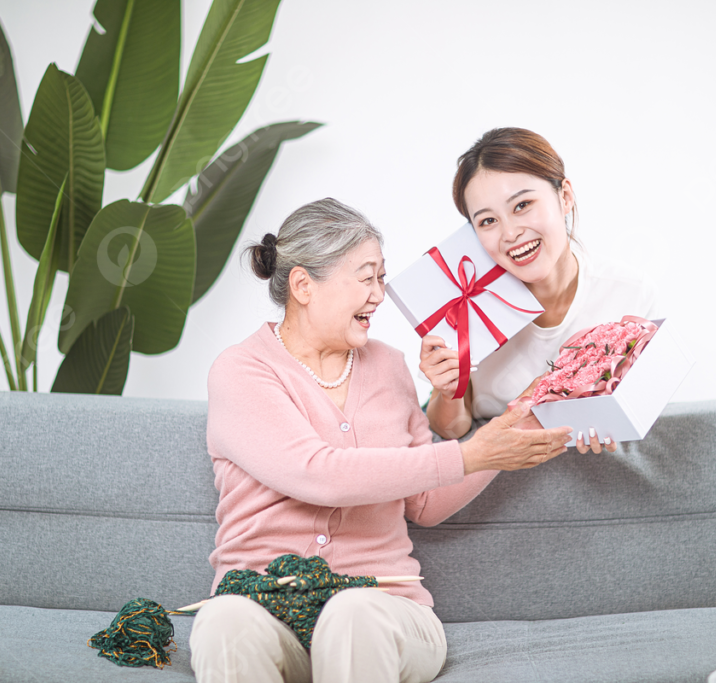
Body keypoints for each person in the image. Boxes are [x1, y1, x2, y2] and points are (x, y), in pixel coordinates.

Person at [190, 198, 574, 683]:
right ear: (304, 285)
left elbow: (426, 502)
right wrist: (466, 453)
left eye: (381, 277)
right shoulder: (241, 371)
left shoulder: (390, 366)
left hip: (384, 610)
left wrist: (517, 427)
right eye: (366, 277)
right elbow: (318, 473)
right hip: (268, 608)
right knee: (223, 620)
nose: (380, 295)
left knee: (352, 613)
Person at [422, 128, 660, 452]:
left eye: (522, 205)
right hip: (494, 484)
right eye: (488, 221)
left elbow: (642, 411)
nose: (510, 233)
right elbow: (450, 431)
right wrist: (448, 391)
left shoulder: (629, 295)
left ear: (564, 196)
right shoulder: (467, 309)